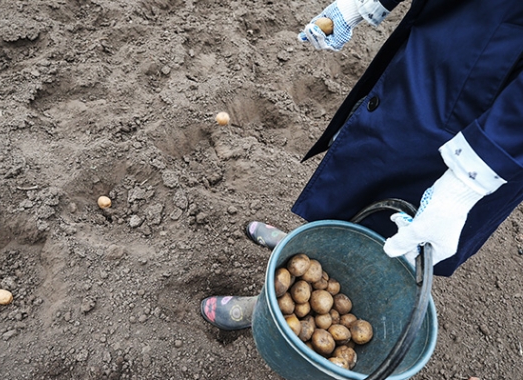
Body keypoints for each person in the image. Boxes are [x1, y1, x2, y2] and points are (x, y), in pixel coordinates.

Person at [201, 0, 523, 330]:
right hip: (442, 44)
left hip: (497, 109)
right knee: (361, 178)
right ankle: (303, 256)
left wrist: (467, 182)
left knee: (390, 231)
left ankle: (277, 313)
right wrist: (361, 5)